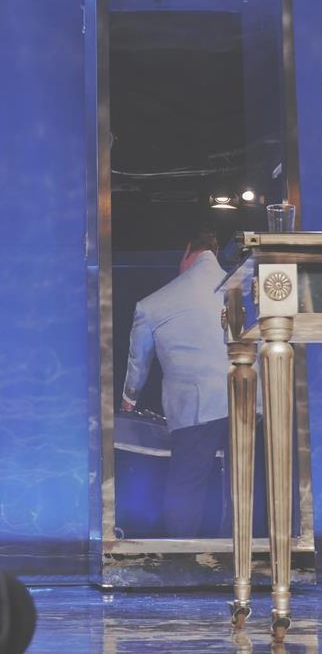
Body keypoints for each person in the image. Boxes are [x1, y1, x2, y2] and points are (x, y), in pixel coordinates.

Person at [121, 227, 230, 537]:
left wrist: (129, 398)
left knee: (187, 483)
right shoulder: (241, 288)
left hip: (197, 407)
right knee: (243, 478)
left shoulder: (153, 304)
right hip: (251, 398)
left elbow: (138, 360)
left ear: (187, 252)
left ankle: (183, 552)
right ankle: (240, 550)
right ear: (215, 253)